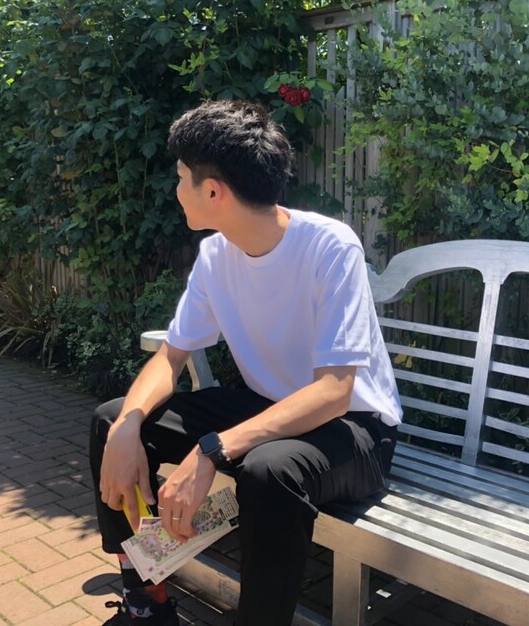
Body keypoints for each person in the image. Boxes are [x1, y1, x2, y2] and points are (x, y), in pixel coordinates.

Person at [89, 100, 403, 626]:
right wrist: (128, 425)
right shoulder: (216, 256)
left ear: (213, 192)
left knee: (268, 471)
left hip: (356, 431)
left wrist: (212, 450)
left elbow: (335, 391)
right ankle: (148, 603)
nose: (176, 189)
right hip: (269, 409)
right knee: (112, 420)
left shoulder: (330, 247)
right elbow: (171, 355)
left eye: (181, 178)